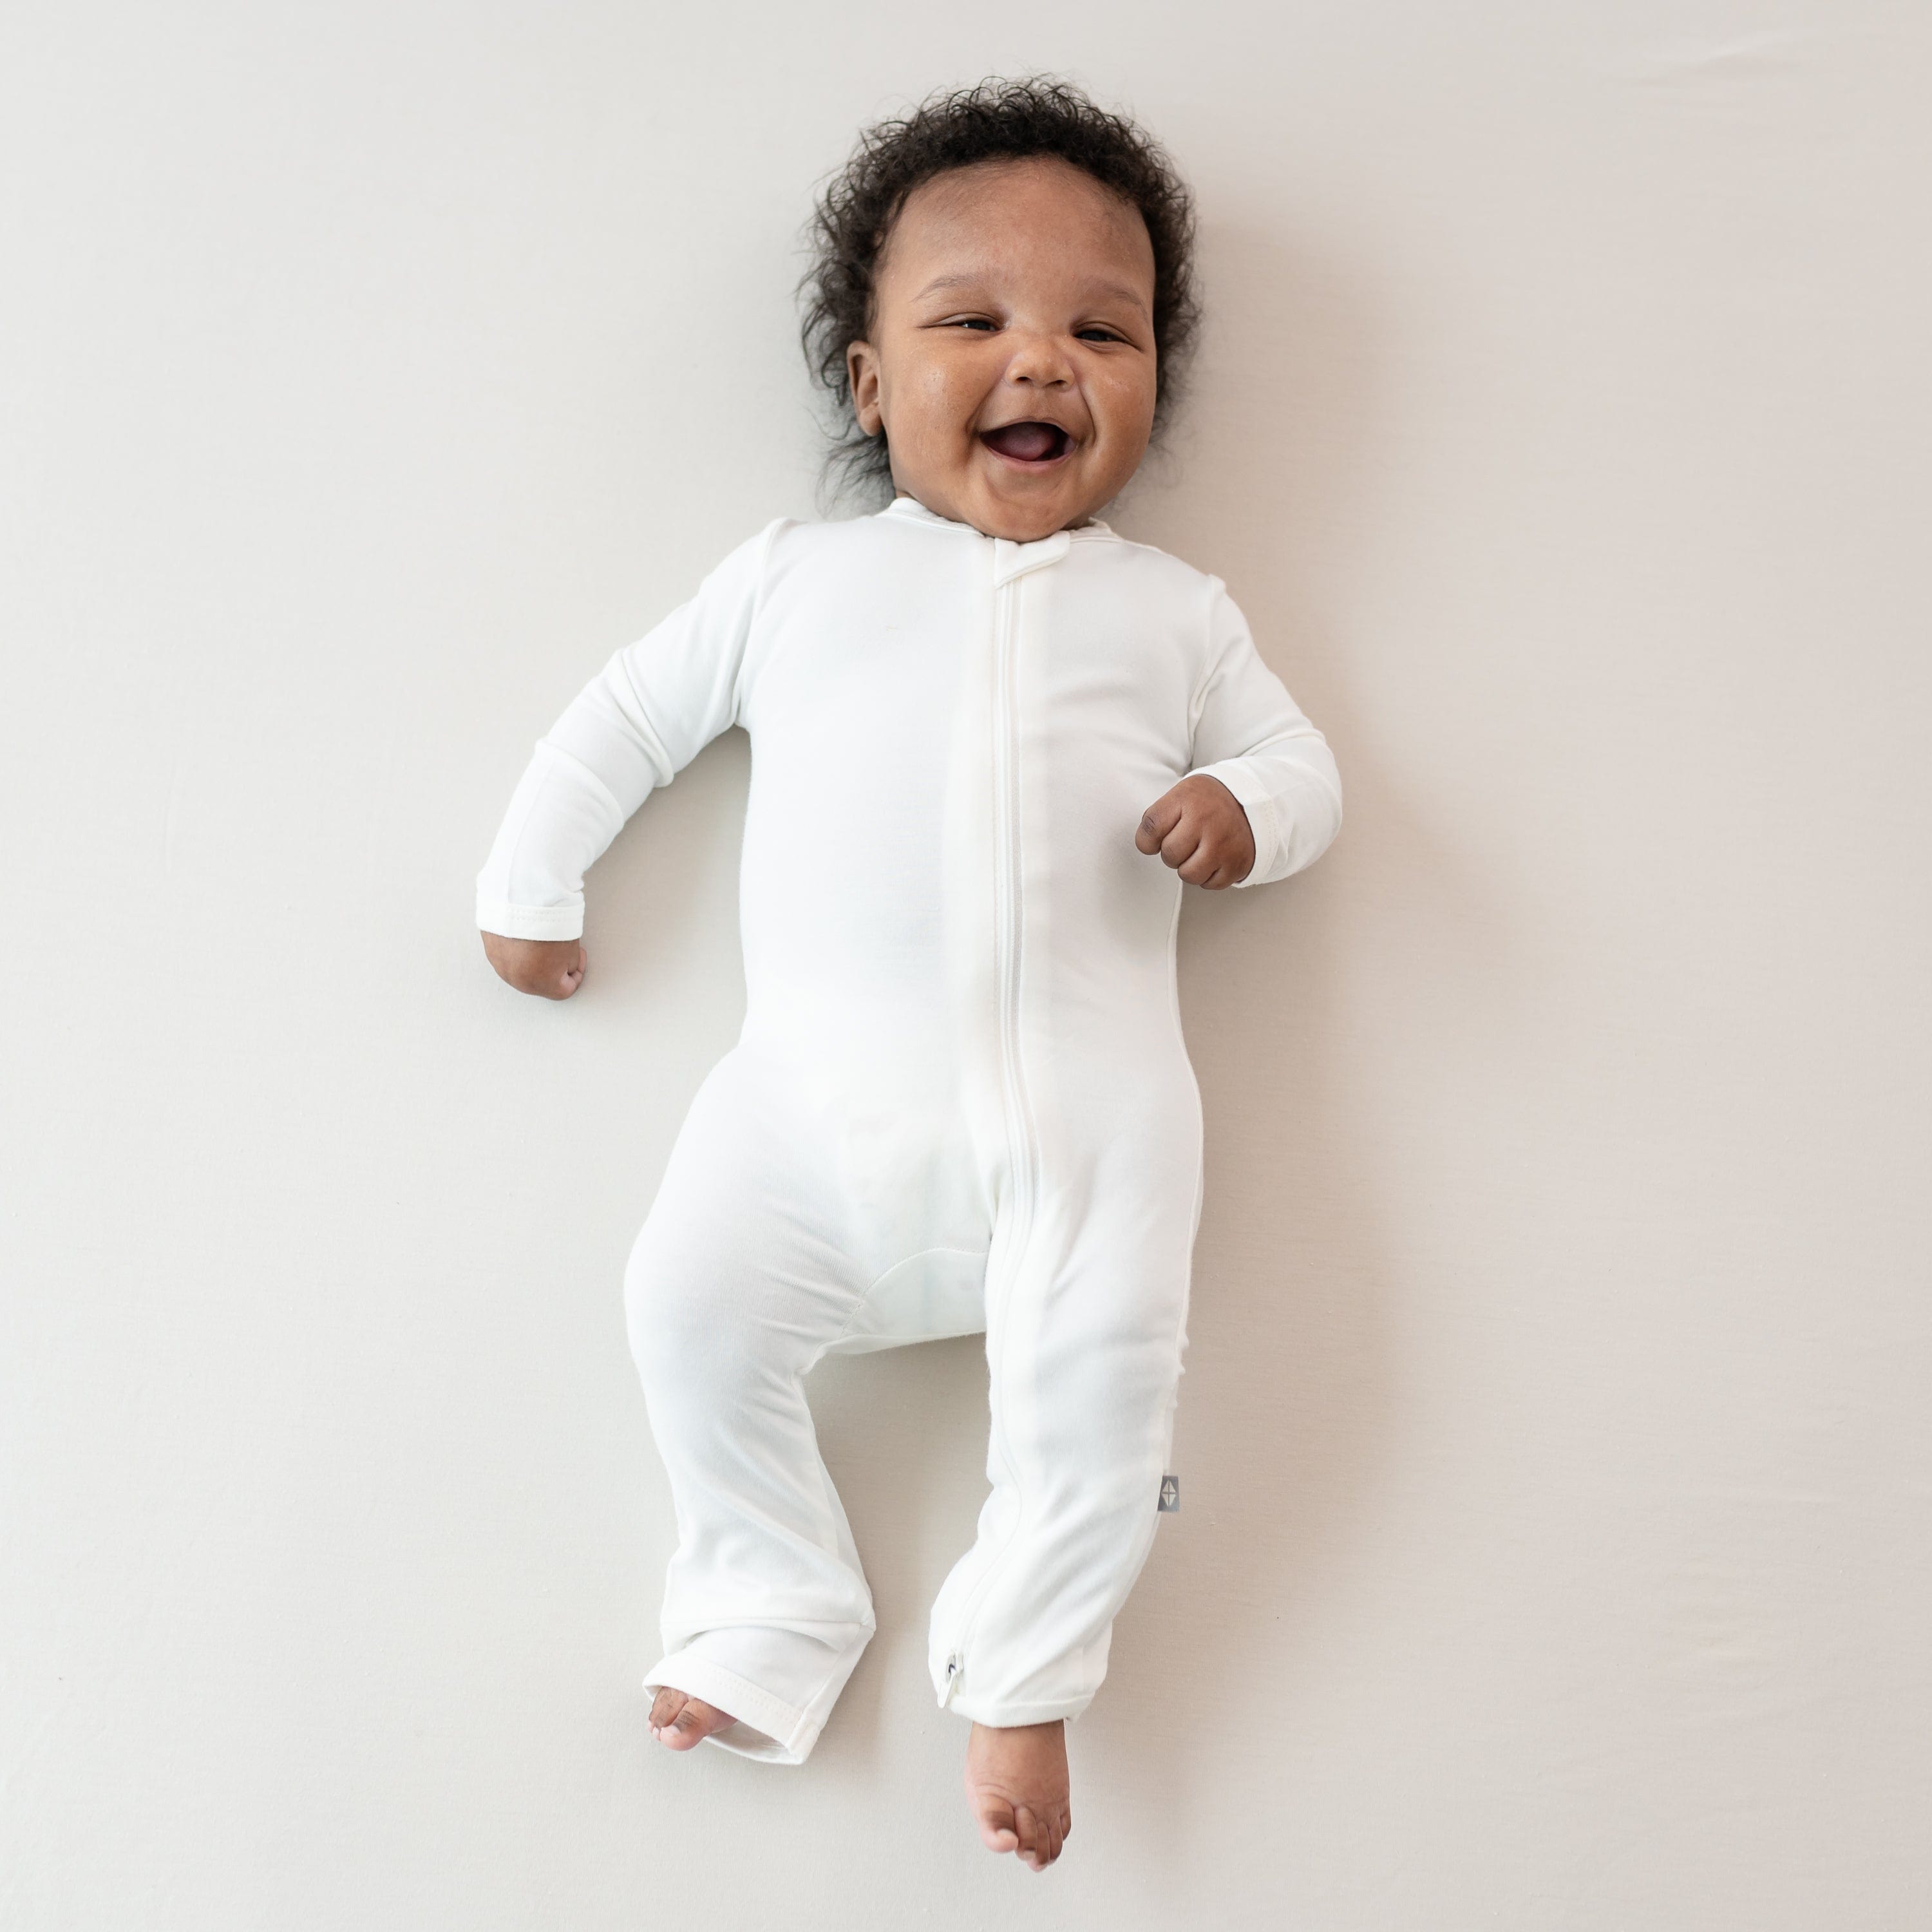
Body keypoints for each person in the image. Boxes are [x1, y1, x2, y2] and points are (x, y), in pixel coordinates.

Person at [475, 77, 1342, 1873]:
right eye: (972, 320)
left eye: (1102, 327)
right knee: (685, 1308)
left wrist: (1244, 809)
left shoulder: (1174, 614)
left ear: (1155, 383)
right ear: (872, 387)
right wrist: (531, 875)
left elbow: (1311, 770)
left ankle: (1024, 1668)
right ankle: (774, 1607)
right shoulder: (796, 582)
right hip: (810, 1120)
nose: (1042, 358)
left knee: (1107, 1386)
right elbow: (628, 716)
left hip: (1089, 1128)